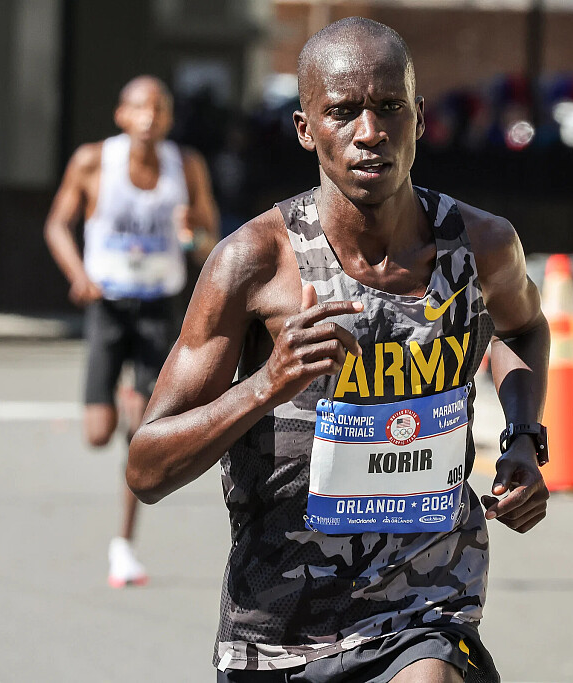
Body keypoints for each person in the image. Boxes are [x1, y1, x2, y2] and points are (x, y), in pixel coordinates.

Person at [128, 17, 550, 683]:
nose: (370, 131)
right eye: (343, 111)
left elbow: (522, 327)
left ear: (418, 118)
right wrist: (268, 382)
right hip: (279, 629)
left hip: (424, 609)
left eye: (389, 107)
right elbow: (147, 468)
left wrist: (524, 437)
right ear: (306, 129)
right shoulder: (254, 262)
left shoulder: (483, 245)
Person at [44, 75, 219, 588]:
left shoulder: (186, 165)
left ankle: (123, 545)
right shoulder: (94, 160)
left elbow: (209, 241)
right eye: (141, 108)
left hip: (157, 307)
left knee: (142, 434)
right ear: (122, 115)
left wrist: (191, 235)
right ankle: (123, 396)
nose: (150, 117)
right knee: (99, 434)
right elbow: (56, 225)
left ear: (169, 118)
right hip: (108, 304)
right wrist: (78, 274)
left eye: (160, 109)